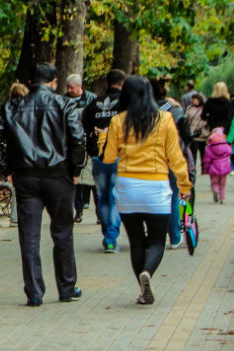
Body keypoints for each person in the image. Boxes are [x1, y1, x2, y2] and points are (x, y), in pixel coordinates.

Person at [0, 63, 87, 306]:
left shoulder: (13, 106)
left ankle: (34, 292)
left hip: (26, 177)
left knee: (29, 236)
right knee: (62, 232)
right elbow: (77, 139)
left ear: (31, 83)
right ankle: (66, 286)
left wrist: (7, 168)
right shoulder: (65, 104)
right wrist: (76, 171)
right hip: (59, 175)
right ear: (54, 82)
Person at [102, 76, 192, 306]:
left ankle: (142, 291)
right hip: (156, 188)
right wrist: (184, 185)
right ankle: (148, 274)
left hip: (128, 187)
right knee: (156, 241)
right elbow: (175, 157)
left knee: (136, 242)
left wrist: (102, 137)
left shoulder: (118, 121)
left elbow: (109, 157)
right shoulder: (164, 119)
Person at [82, 68, 126, 253]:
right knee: (115, 197)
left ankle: (107, 232)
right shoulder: (126, 104)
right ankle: (111, 236)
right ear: (123, 84)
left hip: (98, 157)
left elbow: (83, 128)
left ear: (107, 84)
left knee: (102, 197)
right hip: (118, 156)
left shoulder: (93, 104)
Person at [151, 77, 193, 249]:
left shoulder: (142, 110)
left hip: (151, 159)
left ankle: (154, 236)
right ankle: (175, 236)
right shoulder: (173, 110)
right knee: (174, 195)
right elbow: (187, 134)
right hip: (172, 157)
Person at [65, 74, 96, 223]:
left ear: (79, 86)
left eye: (72, 87)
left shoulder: (91, 99)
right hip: (73, 144)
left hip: (89, 144)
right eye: (68, 87)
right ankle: (78, 211)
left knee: (92, 180)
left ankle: (98, 214)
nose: (69, 90)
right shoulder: (64, 100)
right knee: (76, 179)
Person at [204, 127, 234, 204]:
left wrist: (206, 169)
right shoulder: (225, 146)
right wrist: (230, 145)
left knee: (214, 183)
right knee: (223, 184)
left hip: (214, 169)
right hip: (224, 169)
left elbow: (207, 160)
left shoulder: (209, 148)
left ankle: (215, 191)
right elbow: (230, 152)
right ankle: (222, 199)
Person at [185, 92, 209, 172]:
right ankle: (193, 167)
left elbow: (206, 119)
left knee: (203, 151)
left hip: (201, 132)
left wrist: (201, 126)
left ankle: (204, 167)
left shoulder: (204, 108)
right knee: (193, 151)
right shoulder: (189, 108)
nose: (193, 101)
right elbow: (186, 118)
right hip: (192, 132)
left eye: (195, 99)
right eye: (193, 99)